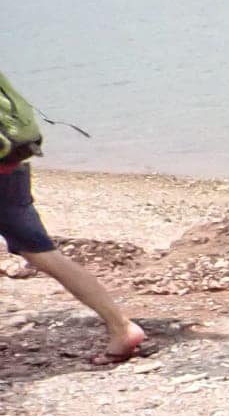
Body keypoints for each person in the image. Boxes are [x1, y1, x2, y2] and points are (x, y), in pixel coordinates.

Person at [0, 70, 145, 364]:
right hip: (10, 161)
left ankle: (122, 327)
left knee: (42, 253)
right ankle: (121, 326)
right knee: (44, 253)